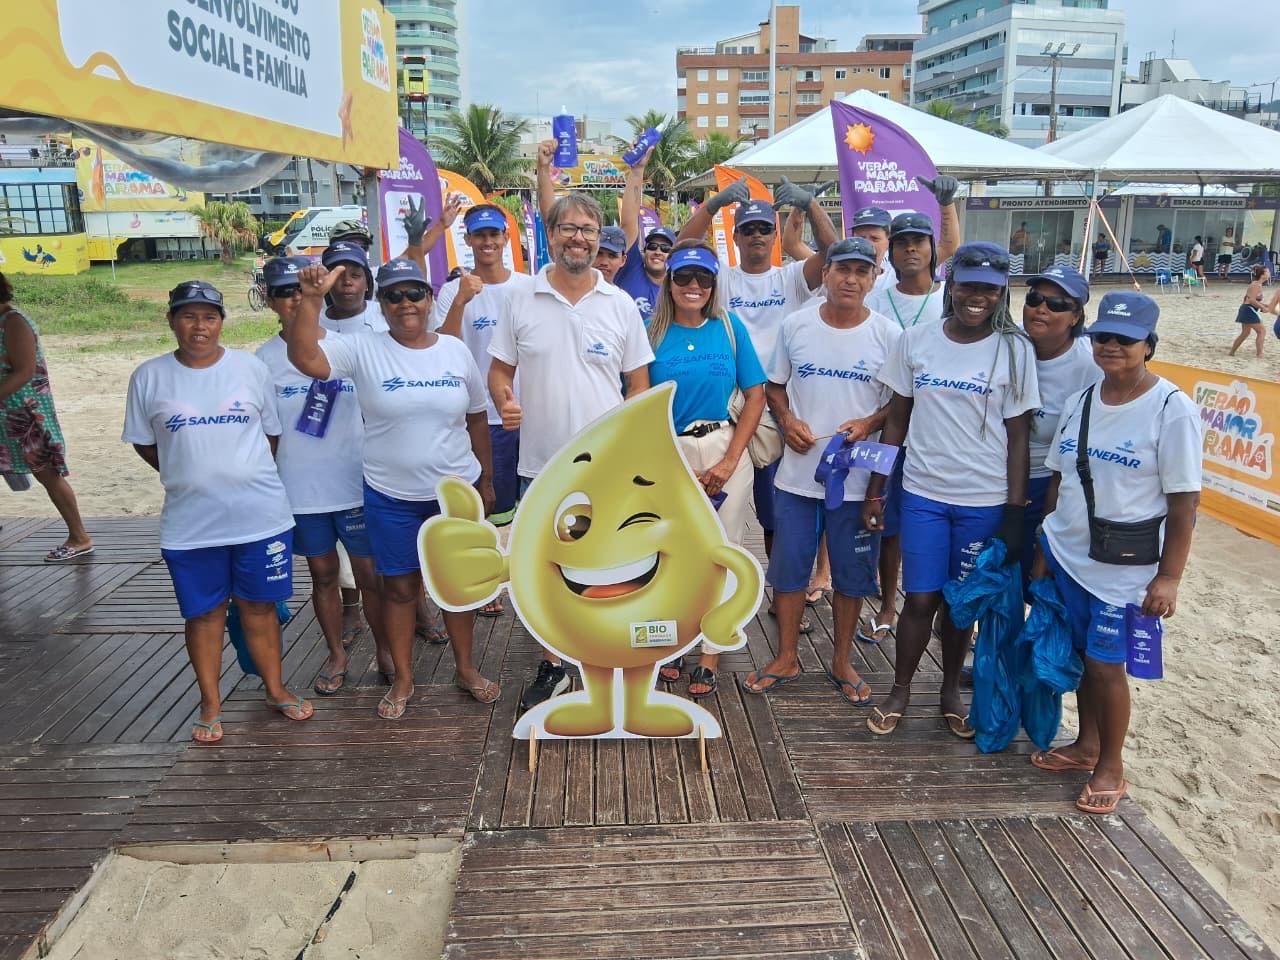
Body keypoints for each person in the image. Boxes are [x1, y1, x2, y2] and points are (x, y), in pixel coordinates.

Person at [286, 258, 499, 719]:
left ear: (429, 298)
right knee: (400, 589)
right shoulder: (362, 348)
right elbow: (305, 358)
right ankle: (404, 679)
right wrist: (311, 298)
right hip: (391, 495)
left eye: (414, 293)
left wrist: (486, 478)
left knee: (457, 588)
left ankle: (466, 669)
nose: (406, 303)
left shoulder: (455, 351)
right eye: (393, 295)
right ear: (379, 303)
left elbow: (478, 416)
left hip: (454, 494)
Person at [1029, 292, 1200, 815]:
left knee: (1107, 667)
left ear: (1149, 345)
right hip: (1069, 553)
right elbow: (1059, 477)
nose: (1111, 347)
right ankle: (1086, 746)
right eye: (1102, 336)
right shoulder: (1084, 400)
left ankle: (1111, 766)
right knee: (1084, 659)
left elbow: (1185, 502)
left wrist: (1169, 578)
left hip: (1124, 568)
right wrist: (1045, 545)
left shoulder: (1172, 409)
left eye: (1125, 339)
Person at [123, 280, 313, 743]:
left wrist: (234, 473)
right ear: (172, 321)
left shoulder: (250, 369)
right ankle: (210, 703)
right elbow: (147, 445)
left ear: (221, 321)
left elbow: (271, 435)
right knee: (204, 614)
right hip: (191, 524)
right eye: (188, 316)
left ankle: (275, 689)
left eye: (209, 316)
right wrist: (190, 473)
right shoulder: (148, 377)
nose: (199, 326)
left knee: (259, 608)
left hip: (260, 516)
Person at [864, 242, 1039, 738]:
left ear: (1002, 292)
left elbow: (1020, 436)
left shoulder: (1015, 349)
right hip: (921, 494)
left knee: (961, 604)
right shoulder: (915, 340)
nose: (976, 297)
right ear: (951, 285)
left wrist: (1013, 509)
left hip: (983, 502)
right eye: (968, 285)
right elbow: (895, 420)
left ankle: (948, 693)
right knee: (919, 600)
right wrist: (878, 488)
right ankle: (900, 689)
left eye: (989, 288)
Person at [490, 193, 654, 711]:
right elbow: (499, 372)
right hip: (541, 463)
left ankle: (610, 653)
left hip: (607, 469)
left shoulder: (620, 304)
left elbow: (639, 385)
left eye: (588, 229)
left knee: (616, 561)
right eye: (568, 228)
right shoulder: (521, 300)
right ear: (551, 233)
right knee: (547, 567)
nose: (578, 238)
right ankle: (555, 663)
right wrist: (505, 400)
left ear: (598, 237)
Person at [744, 237, 899, 703]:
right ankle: (786, 656)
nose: (850, 279)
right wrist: (788, 420)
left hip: (856, 482)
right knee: (788, 570)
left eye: (861, 271)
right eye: (842, 270)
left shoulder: (888, 336)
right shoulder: (795, 325)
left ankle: (841, 660)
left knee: (851, 575)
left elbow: (898, 404)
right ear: (825, 274)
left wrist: (869, 422)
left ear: (873, 280)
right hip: (796, 477)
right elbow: (773, 387)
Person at [678, 178, 835, 635]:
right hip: (725, 410)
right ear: (735, 237)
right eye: (748, 230)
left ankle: (776, 593)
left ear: (774, 233)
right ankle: (701, 599)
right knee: (711, 511)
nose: (758, 237)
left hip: (774, 412)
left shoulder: (790, 277)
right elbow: (686, 246)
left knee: (775, 514)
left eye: (765, 229)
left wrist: (810, 203)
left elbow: (833, 250)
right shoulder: (721, 277)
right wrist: (713, 205)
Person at [255, 256, 387, 696]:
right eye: (282, 292)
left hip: (354, 484)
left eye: (300, 289)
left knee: (371, 578)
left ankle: (387, 652)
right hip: (301, 491)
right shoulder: (262, 362)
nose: (293, 299)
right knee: (323, 575)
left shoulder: (350, 347)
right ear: (269, 300)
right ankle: (337, 655)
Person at [644, 240, 766, 698]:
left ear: (714, 285)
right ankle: (672, 644)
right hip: (668, 452)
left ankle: (711, 651)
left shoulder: (730, 328)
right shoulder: (649, 332)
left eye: (703, 279)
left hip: (722, 445)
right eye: (683, 278)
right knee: (669, 553)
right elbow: (634, 397)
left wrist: (730, 459)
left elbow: (755, 395)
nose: (693, 286)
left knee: (723, 551)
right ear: (669, 282)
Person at [858, 212, 945, 643]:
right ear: (889, 251)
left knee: (935, 524)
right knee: (887, 525)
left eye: (919, 241)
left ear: (932, 248)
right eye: (902, 242)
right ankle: (889, 605)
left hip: (936, 433)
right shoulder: (876, 299)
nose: (911, 249)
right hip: (885, 427)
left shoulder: (950, 298)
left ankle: (938, 611)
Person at [433, 204, 535, 561]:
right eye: (480, 235)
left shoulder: (529, 287)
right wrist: (461, 299)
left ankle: (531, 578)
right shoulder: (452, 292)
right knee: (489, 503)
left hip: (531, 415)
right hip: (484, 419)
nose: (487, 242)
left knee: (535, 503)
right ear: (468, 240)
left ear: (507, 239)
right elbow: (443, 351)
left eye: (494, 234)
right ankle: (490, 581)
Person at [0, 271, 93, 561]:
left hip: (24, 412)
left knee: (47, 474)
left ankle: (79, 537)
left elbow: (25, 371)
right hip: (5, 411)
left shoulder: (13, 322)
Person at [1020, 265, 1101, 587]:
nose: (1041, 308)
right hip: (991, 480)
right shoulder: (1009, 346)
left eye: (1057, 304)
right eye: (1034, 298)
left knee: (1039, 579)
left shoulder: (1091, 365)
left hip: (1052, 486)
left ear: (1076, 317)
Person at [612, 147, 676, 319]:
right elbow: (628, 222)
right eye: (653, 246)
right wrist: (637, 171)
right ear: (644, 250)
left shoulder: (677, 288)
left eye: (665, 248)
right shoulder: (631, 266)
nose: (657, 251)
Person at [1229, 264, 1269, 358]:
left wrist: (1266, 305)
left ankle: (1232, 352)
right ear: (1262, 274)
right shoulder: (1256, 285)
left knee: (1245, 333)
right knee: (1261, 331)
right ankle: (1259, 354)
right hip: (1248, 310)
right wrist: (1262, 308)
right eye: (1268, 271)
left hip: (1247, 309)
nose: (1269, 273)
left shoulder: (1258, 284)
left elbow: (1253, 300)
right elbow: (1251, 300)